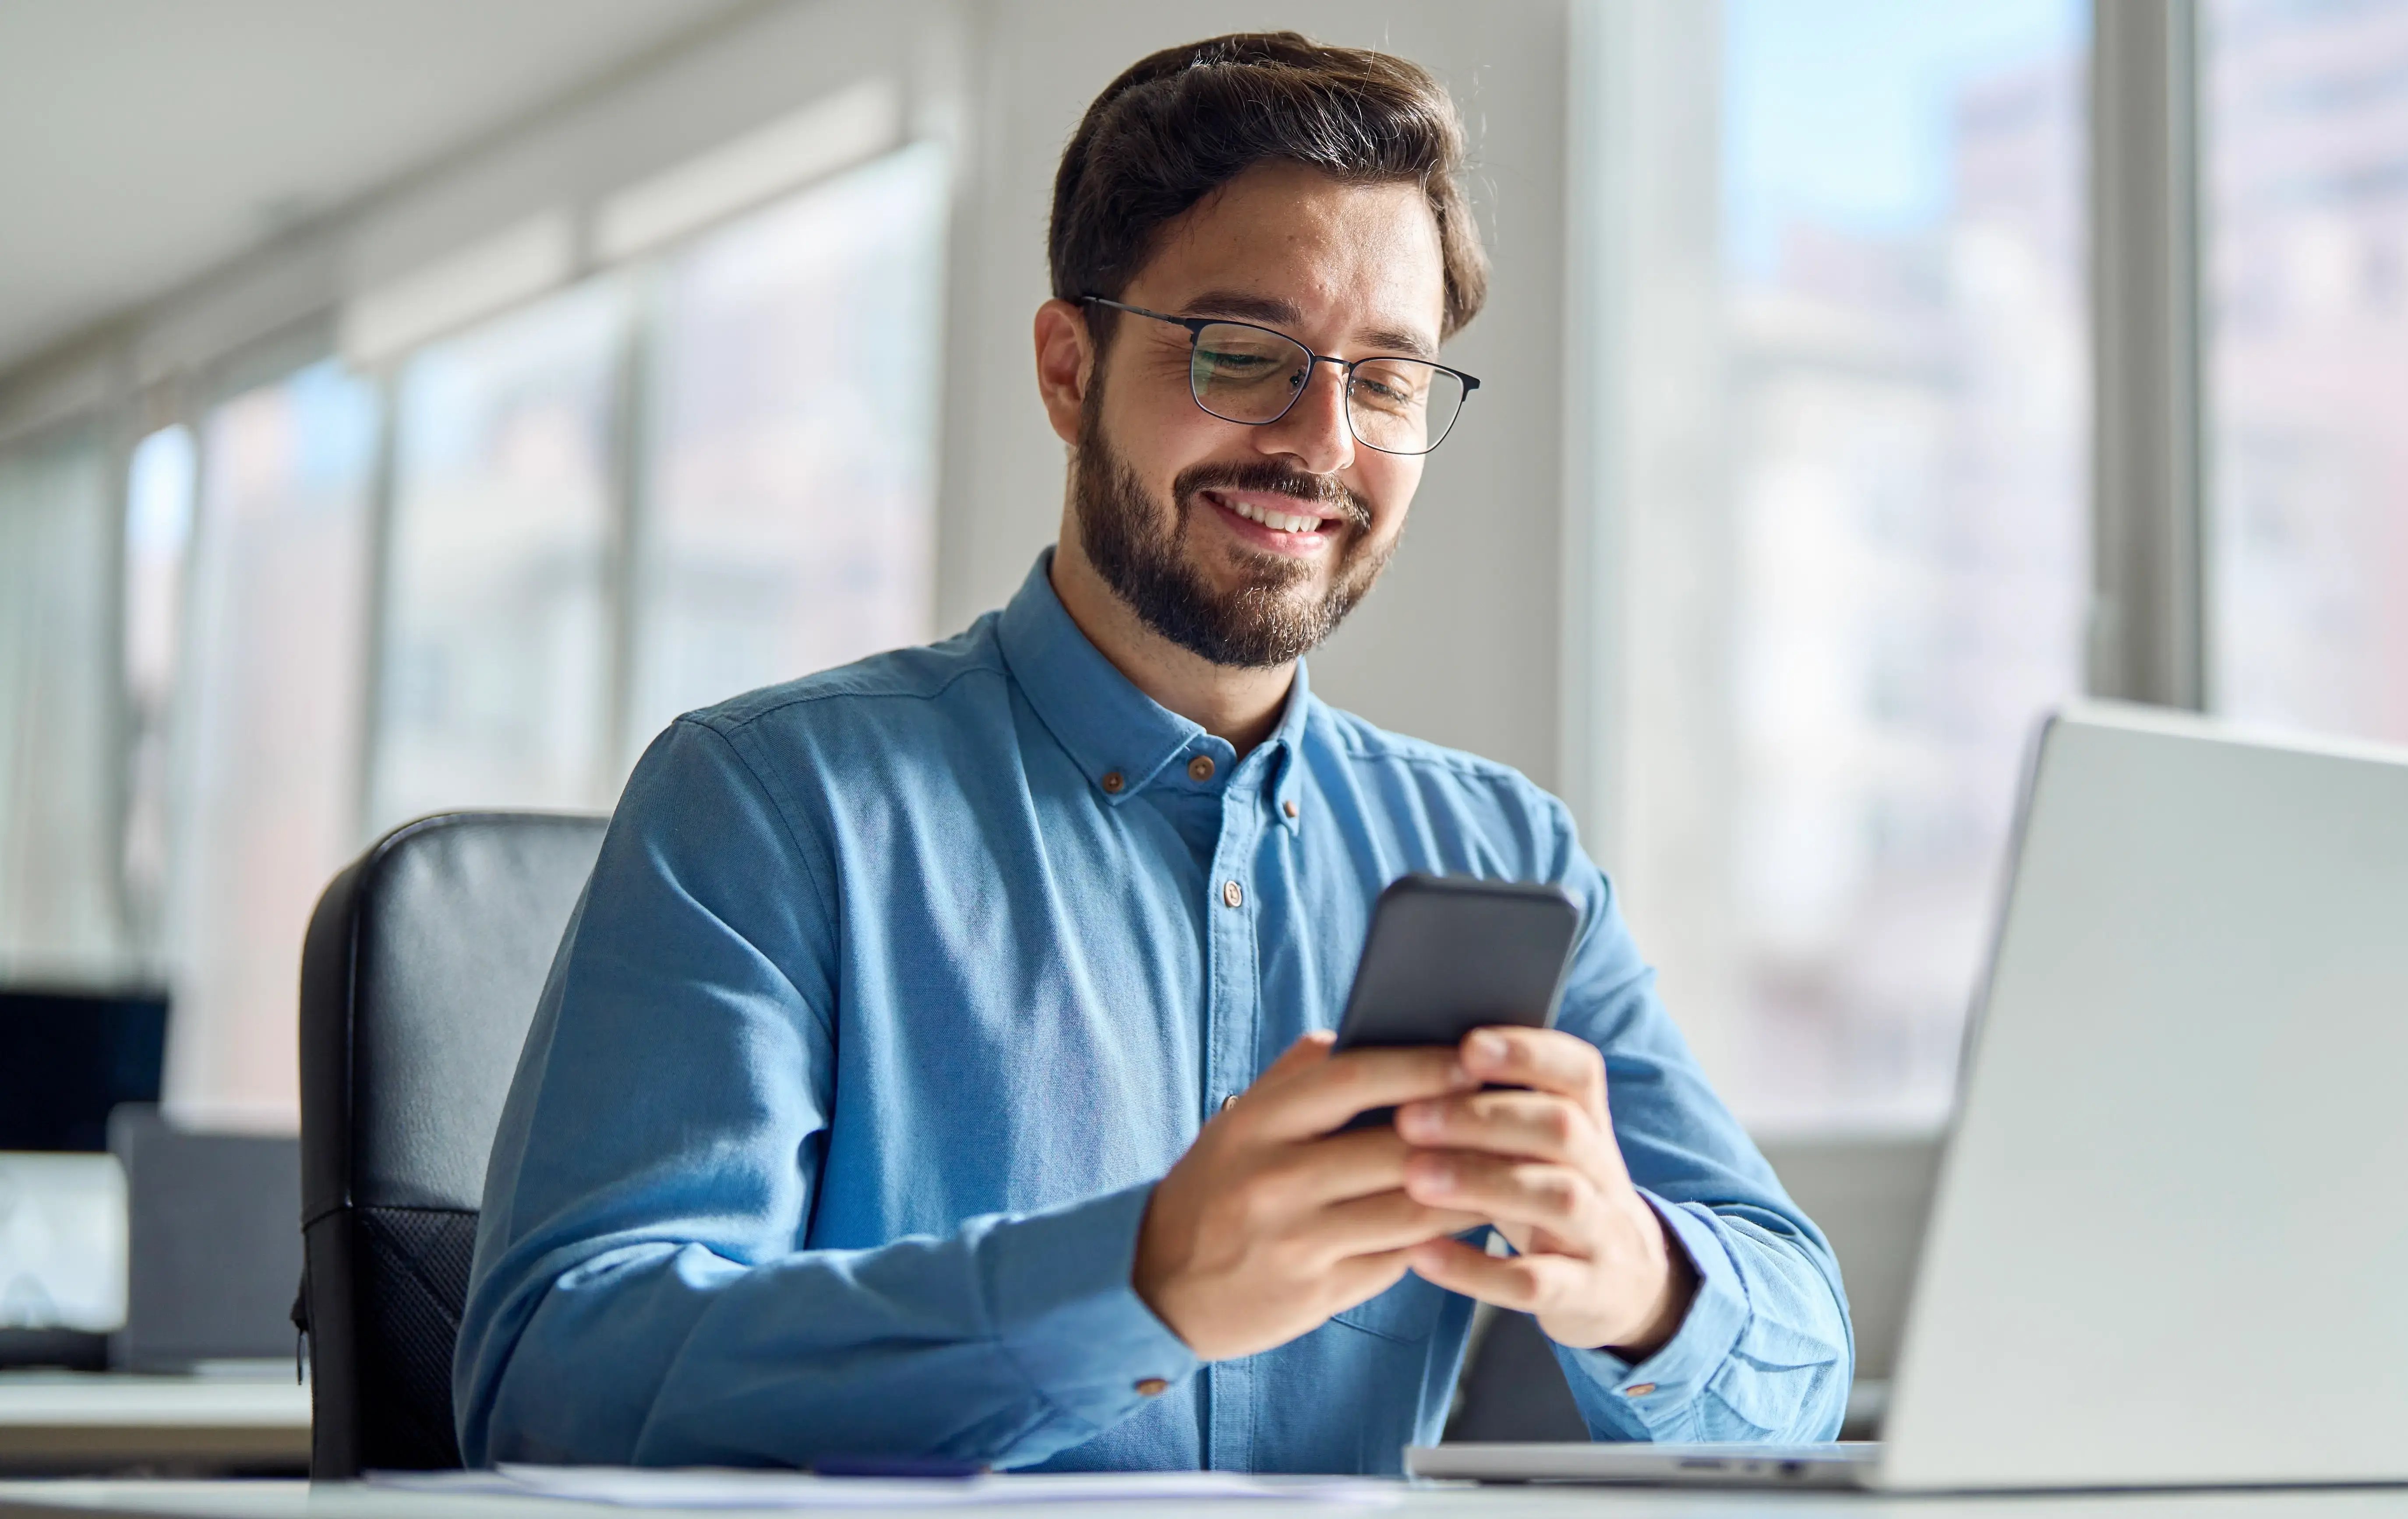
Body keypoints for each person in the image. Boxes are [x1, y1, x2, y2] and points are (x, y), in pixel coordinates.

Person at [455, 32, 1851, 1474]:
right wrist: (1136, 1287)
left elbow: (1802, 1361)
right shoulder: (764, 804)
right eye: (1246, 355)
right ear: (1070, 368)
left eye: (1384, 381)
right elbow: (562, 1374)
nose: (1321, 442)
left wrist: (1636, 1276)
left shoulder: (1505, 860)